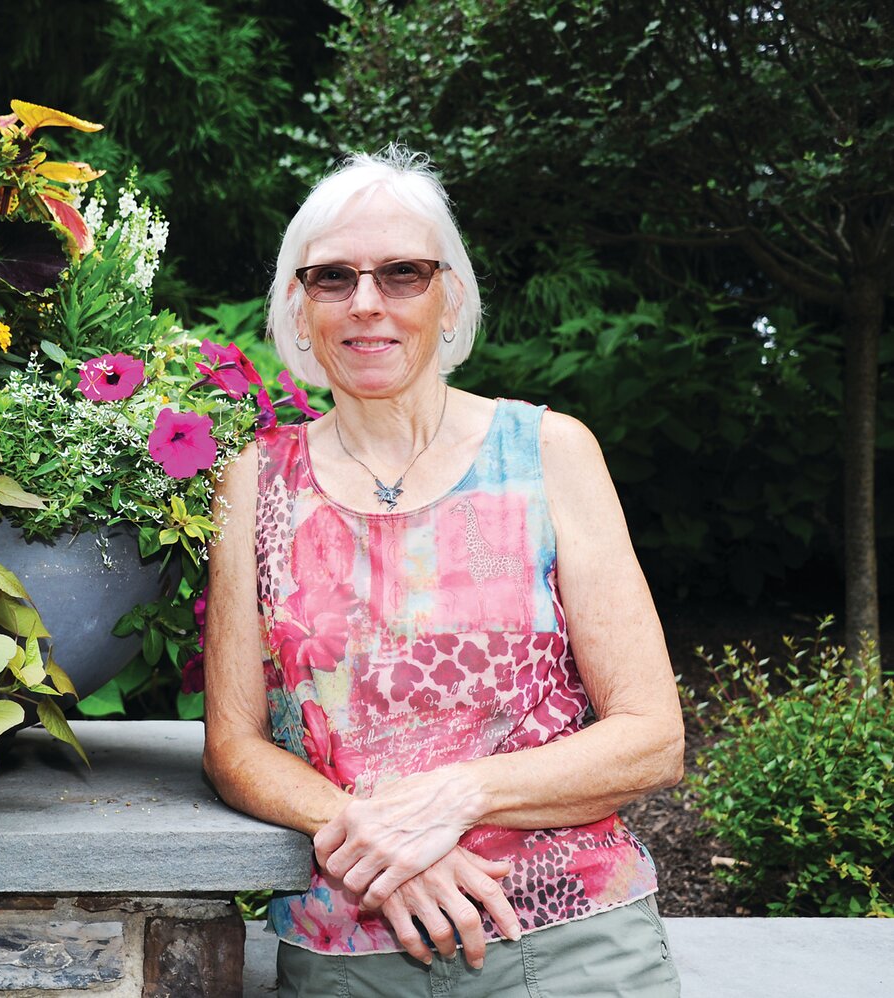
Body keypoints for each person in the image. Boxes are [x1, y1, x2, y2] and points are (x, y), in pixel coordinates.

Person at [203, 147, 685, 997]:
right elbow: (235, 745)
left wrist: (451, 798)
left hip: (568, 934)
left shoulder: (547, 452)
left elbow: (650, 737)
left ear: (449, 295)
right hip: (347, 945)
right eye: (332, 279)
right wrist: (372, 838)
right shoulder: (253, 480)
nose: (366, 304)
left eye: (401, 274)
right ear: (296, 304)